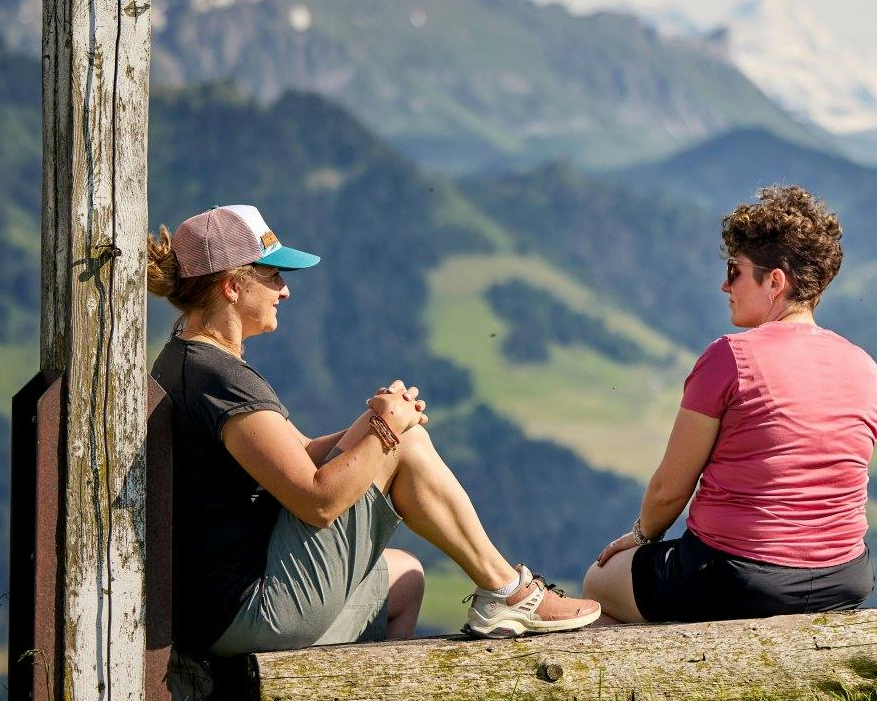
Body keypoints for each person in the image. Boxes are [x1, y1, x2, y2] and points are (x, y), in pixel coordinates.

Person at [151, 203, 599, 655]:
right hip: (253, 608)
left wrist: (374, 421)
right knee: (405, 442)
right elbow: (318, 502)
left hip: (225, 606)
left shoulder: (191, 360)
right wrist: (387, 431)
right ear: (231, 286)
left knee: (405, 578)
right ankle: (509, 593)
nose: (284, 291)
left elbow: (298, 451)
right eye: (273, 276)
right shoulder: (219, 379)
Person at [584, 186, 877, 623]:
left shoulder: (731, 356)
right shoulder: (867, 368)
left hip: (738, 576)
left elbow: (670, 488)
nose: (725, 285)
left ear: (776, 282)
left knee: (598, 581)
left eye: (736, 271)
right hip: (846, 576)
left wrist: (641, 536)